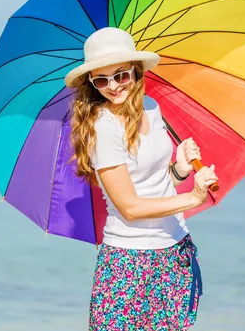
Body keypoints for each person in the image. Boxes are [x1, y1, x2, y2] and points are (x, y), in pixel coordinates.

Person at [63, 27, 218, 331]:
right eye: (102, 80)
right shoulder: (103, 129)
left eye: (120, 75)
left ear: (135, 71)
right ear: (93, 84)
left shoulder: (152, 107)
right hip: (128, 261)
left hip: (174, 251)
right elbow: (130, 207)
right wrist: (194, 198)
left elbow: (153, 184)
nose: (113, 86)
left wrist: (180, 170)